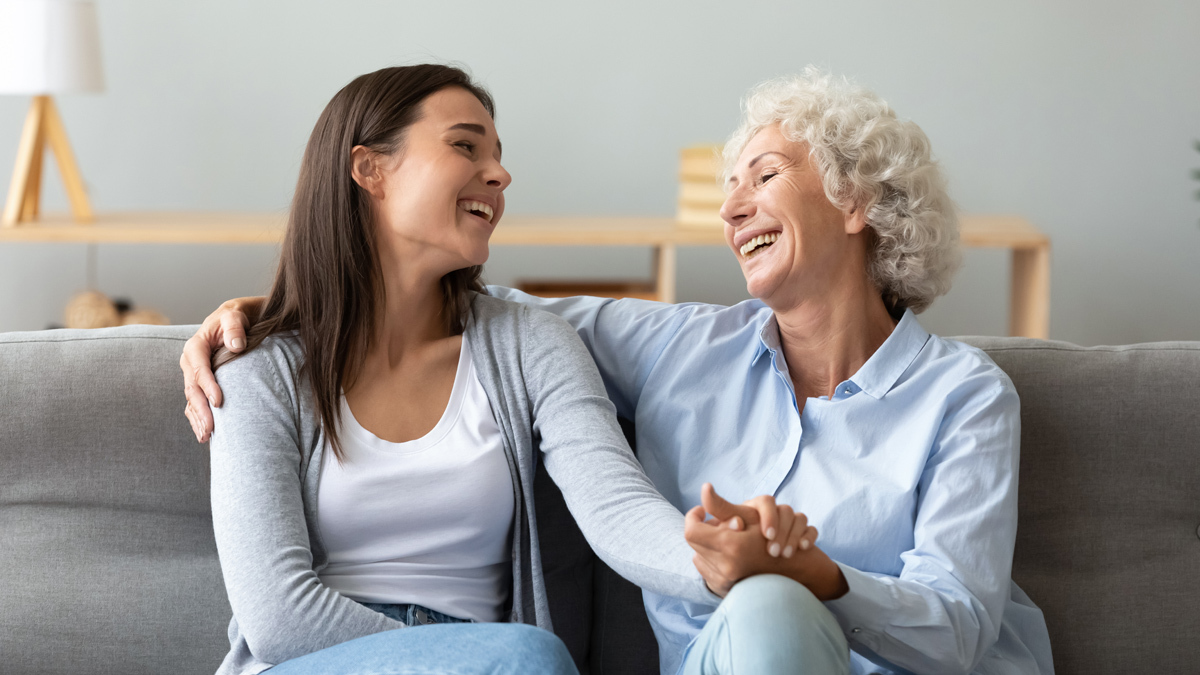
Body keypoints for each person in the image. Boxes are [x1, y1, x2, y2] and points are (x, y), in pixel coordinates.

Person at [184, 67, 1055, 674]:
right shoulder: (262, 369)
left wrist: (756, 567)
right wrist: (271, 314)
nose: (731, 205)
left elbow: (615, 506)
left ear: (857, 201)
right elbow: (278, 615)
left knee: (764, 605)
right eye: (466, 146)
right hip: (400, 664)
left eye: (765, 173)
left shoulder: (963, 398)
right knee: (706, 620)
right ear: (368, 170)